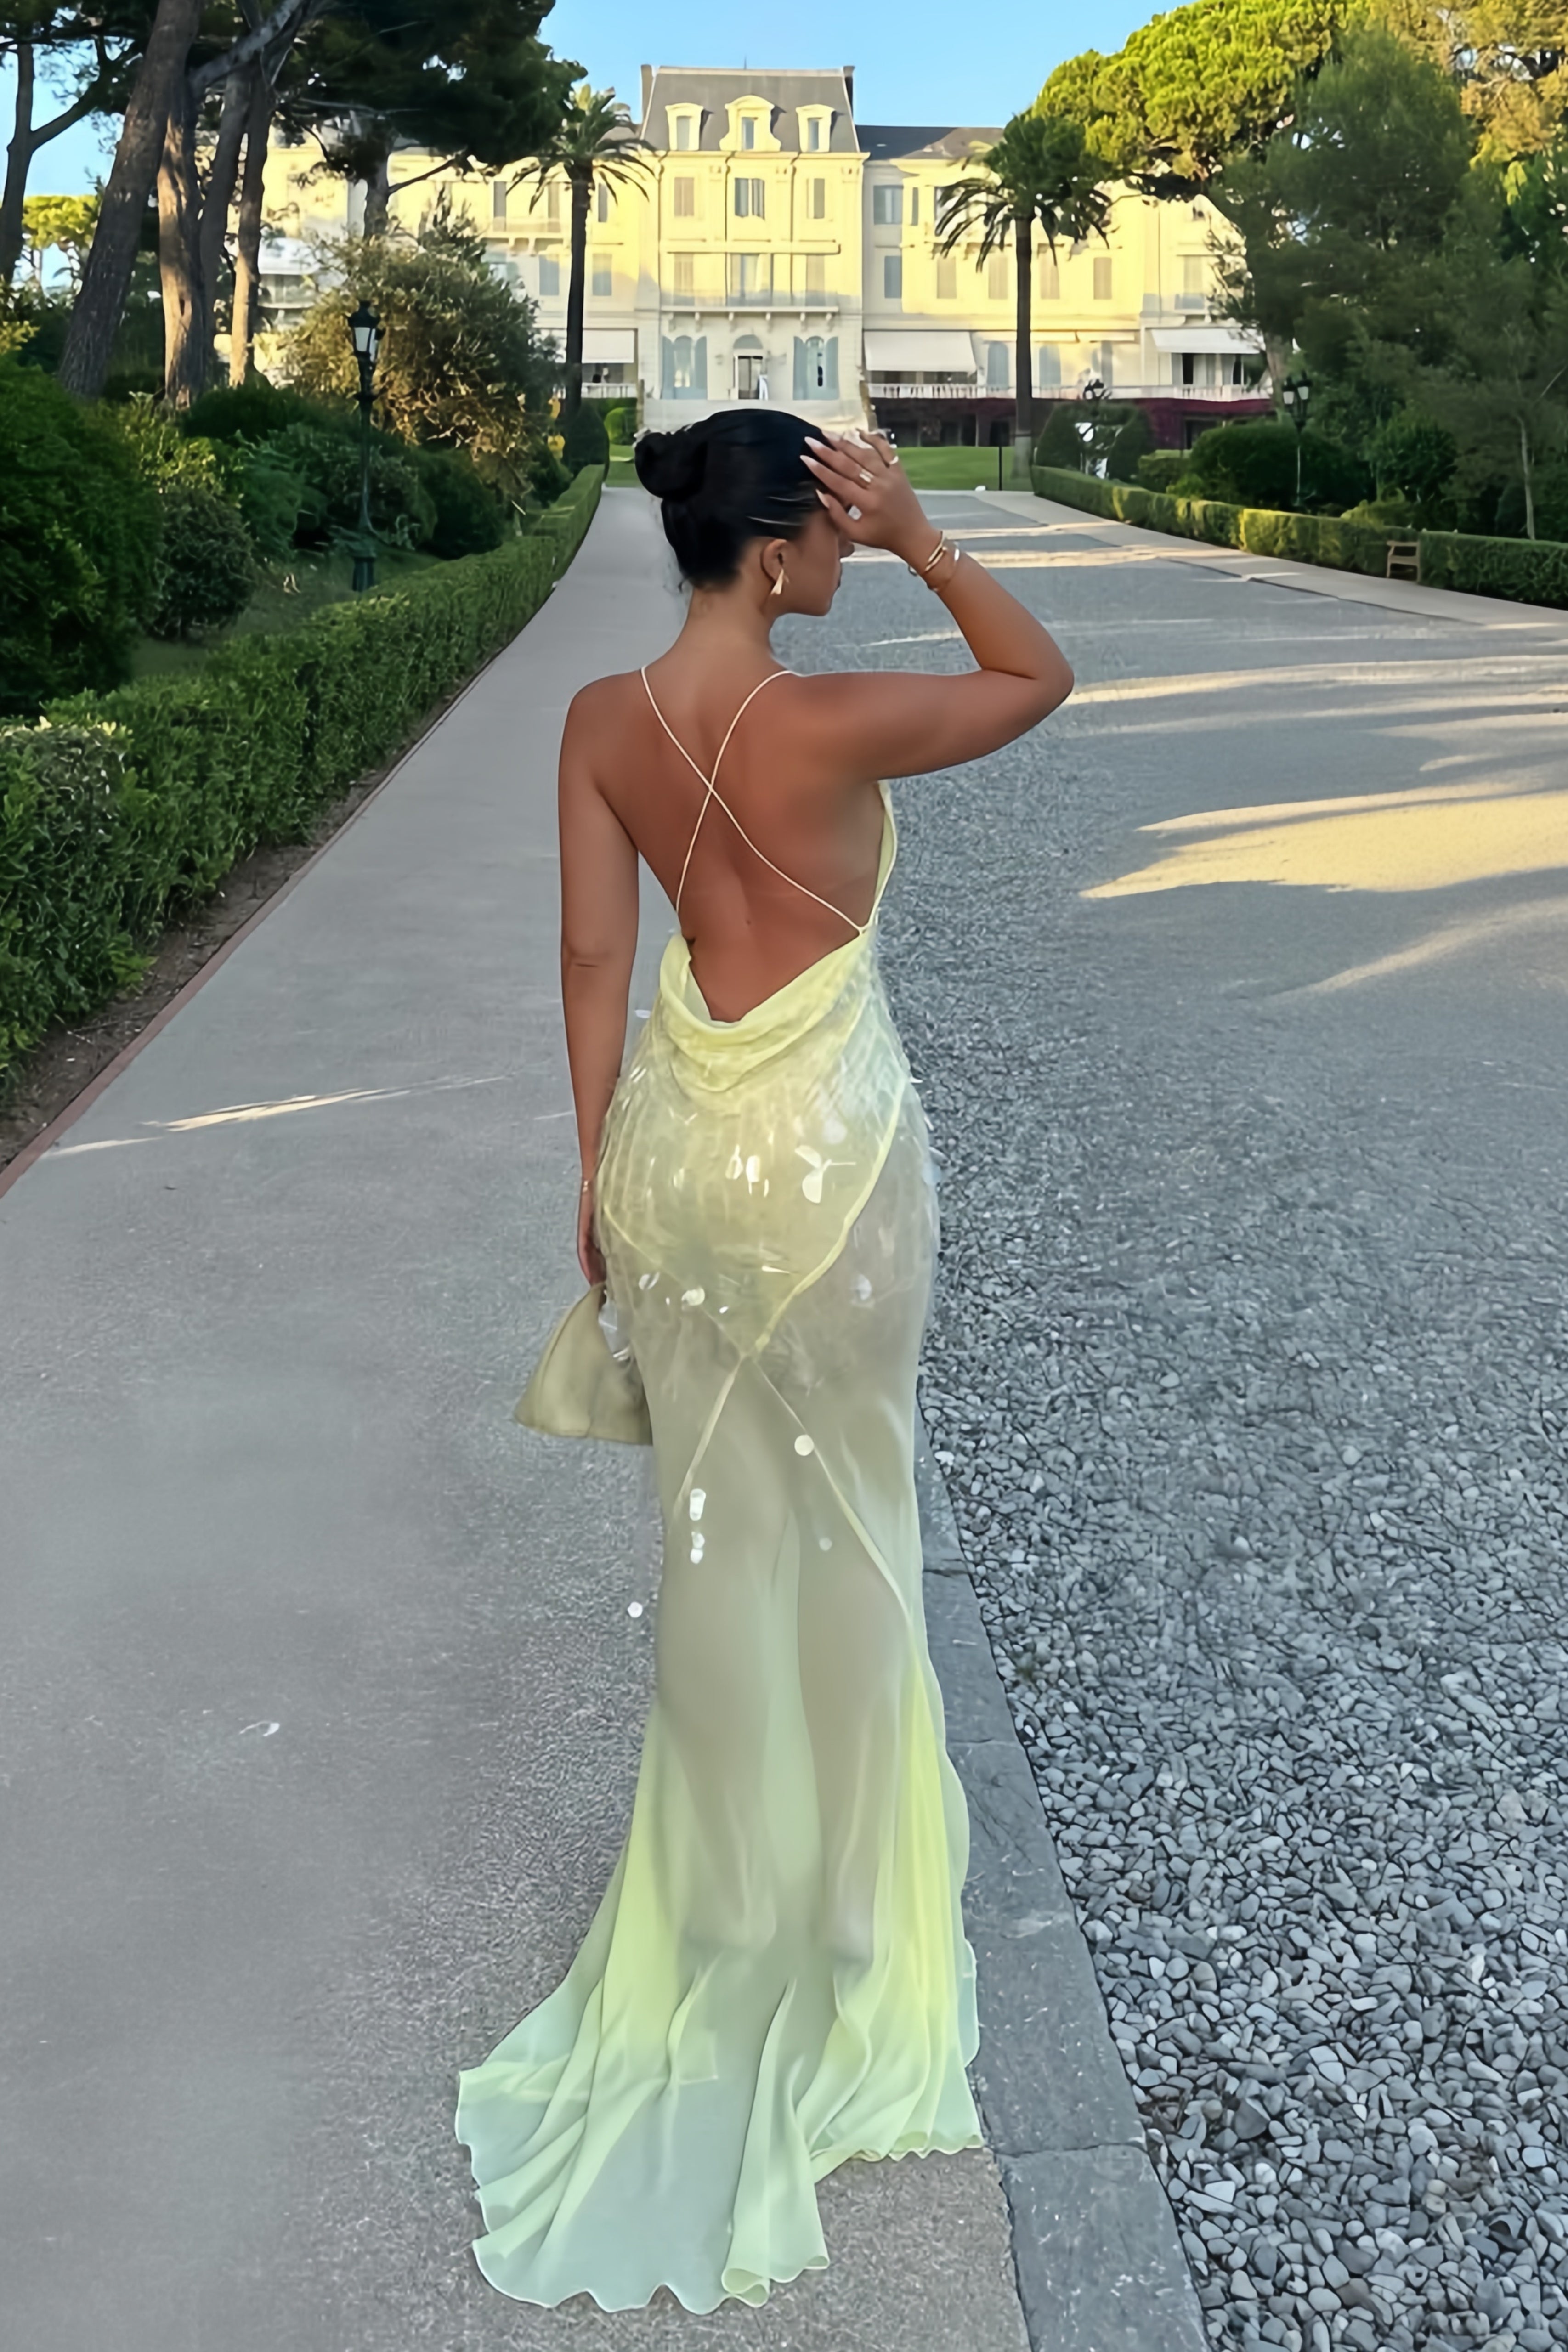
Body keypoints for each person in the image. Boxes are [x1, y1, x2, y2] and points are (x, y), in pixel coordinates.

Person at [455, 410, 1073, 2313]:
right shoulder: (834, 721)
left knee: (716, 1534)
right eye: (832, 536)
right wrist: (927, 542)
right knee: (857, 1526)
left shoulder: (600, 722)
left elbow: (590, 964)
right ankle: (854, 1929)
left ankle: (724, 1909)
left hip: (669, 1159)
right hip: (829, 1160)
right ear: (789, 549)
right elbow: (1036, 677)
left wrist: (591, 1174)